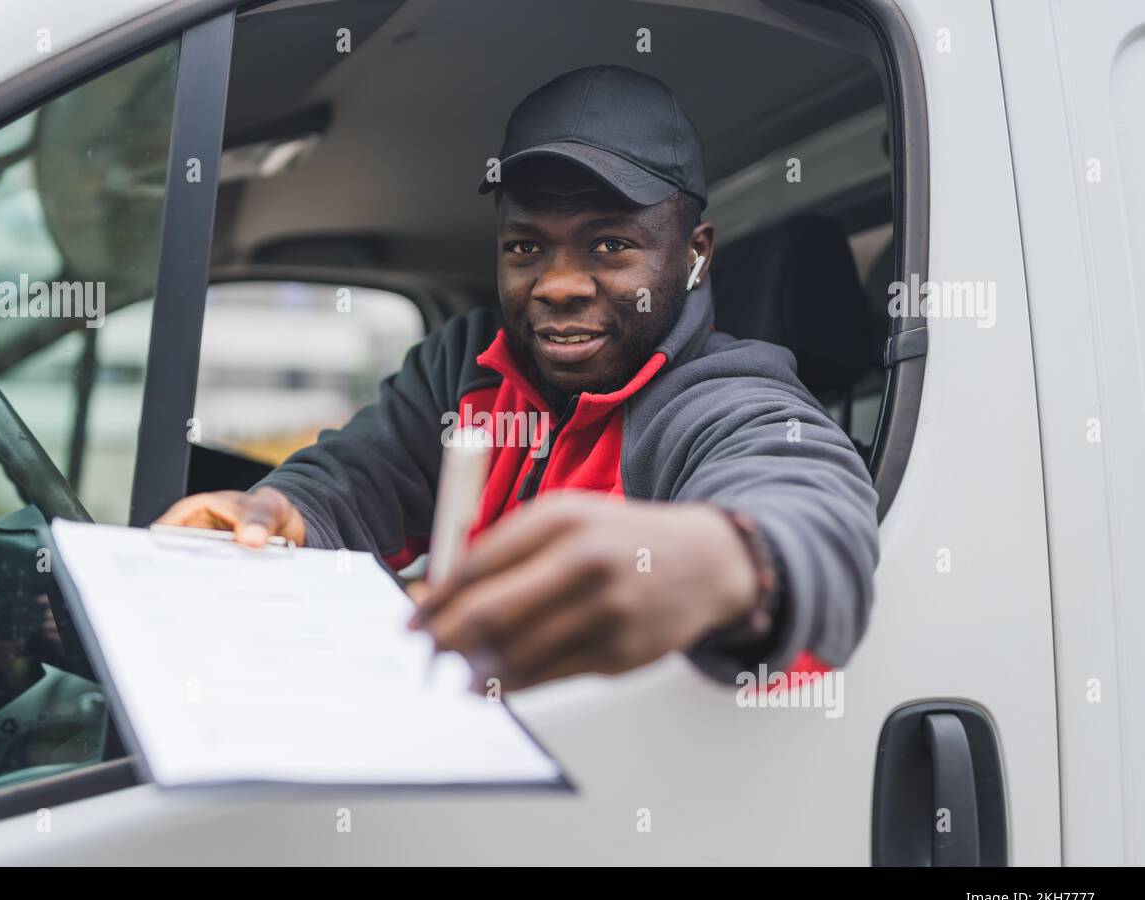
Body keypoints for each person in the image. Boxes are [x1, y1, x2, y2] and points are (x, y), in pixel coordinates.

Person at [159, 65, 879, 692]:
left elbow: (819, 525)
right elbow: (353, 482)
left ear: (694, 252)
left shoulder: (727, 404)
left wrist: (726, 561)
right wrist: (279, 513)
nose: (558, 284)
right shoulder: (465, 366)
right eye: (526, 245)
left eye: (611, 243)